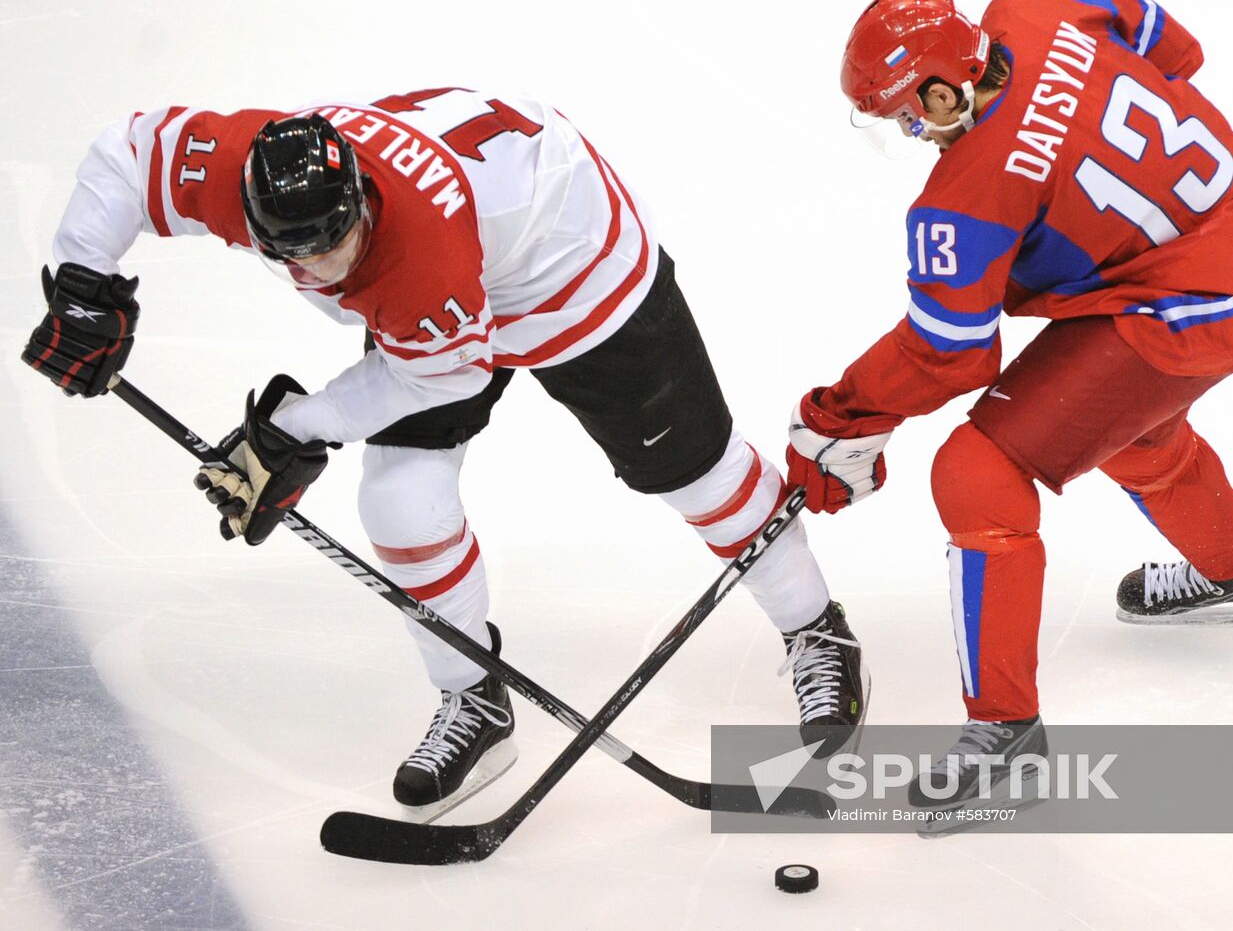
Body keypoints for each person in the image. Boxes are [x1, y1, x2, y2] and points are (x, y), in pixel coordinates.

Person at [22, 87, 868, 809]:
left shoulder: (414, 259)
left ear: (361, 199)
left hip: (570, 261)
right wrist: (84, 287)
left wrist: (294, 427)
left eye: (333, 239)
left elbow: (445, 378)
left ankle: (815, 630)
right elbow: (129, 153)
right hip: (457, 272)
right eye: (294, 249)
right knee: (397, 497)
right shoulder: (247, 166)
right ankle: (473, 698)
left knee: (693, 473)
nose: (317, 263)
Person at [786, 0, 1233, 817]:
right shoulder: (1033, 8)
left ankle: (1006, 732)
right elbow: (1174, 46)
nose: (912, 133)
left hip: (1184, 309)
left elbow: (948, 354)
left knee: (978, 466)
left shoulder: (968, 194)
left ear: (943, 90)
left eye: (909, 115)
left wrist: (841, 416)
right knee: (1119, 429)